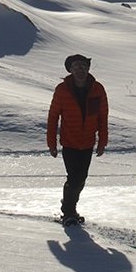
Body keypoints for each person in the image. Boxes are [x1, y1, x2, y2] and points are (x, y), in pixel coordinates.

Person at [46, 53, 108, 225]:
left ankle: (69, 206)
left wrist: (102, 141)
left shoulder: (98, 89)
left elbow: (103, 116)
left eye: (83, 66)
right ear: (70, 70)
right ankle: (68, 212)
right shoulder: (62, 89)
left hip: (88, 142)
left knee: (81, 178)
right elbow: (53, 117)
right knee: (74, 177)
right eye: (76, 66)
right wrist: (51, 142)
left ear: (88, 68)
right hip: (69, 141)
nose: (80, 69)